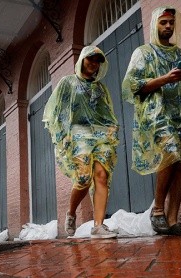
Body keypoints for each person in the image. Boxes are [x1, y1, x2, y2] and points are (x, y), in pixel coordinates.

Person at [122, 6, 181, 236]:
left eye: (171, 23)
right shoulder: (143, 53)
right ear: (155, 24)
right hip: (157, 113)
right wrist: (165, 79)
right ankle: (157, 211)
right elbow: (132, 85)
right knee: (171, 152)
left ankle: (173, 220)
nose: (168, 26)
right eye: (163, 22)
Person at [43, 45, 119, 239]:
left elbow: (106, 111)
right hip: (78, 133)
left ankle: (98, 225)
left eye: (97, 61)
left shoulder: (100, 88)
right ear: (82, 60)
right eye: (90, 59)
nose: (93, 64)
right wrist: (63, 135)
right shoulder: (67, 82)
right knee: (83, 179)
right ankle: (71, 213)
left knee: (102, 175)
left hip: (101, 135)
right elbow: (56, 110)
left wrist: (112, 128)